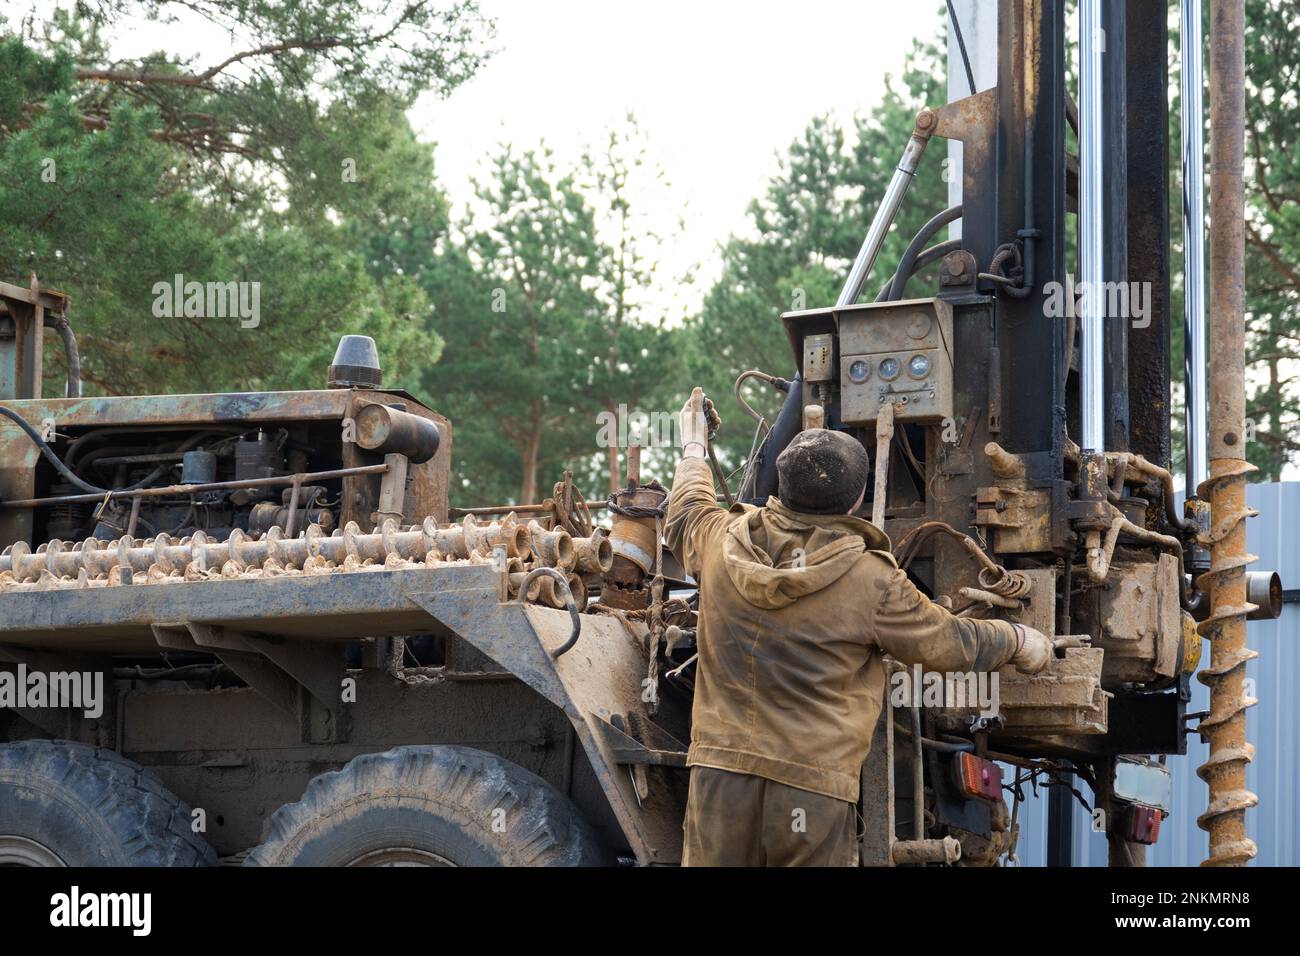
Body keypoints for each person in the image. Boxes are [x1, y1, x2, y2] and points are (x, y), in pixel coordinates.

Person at [664, 387, 1052, 867]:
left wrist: (694, 448)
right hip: (810, 790)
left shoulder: (721, 542)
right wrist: (1018, 638)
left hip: (719, 776)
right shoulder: (872, 581)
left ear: (780, 488)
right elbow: (950, 643)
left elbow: (685, 511)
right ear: (858, 501)